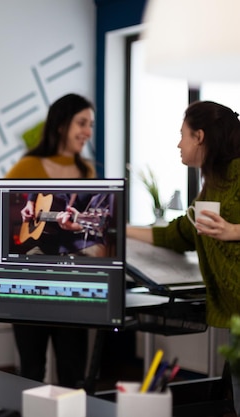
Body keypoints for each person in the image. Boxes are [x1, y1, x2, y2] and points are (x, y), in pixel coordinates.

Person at [127, 100, 240, 413]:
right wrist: (120, 230)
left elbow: (228, 230)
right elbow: (176, 235)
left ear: (200, 136)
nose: (179, 143)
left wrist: (233, 231)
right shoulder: (210, 187)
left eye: (182, 134)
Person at [5, 93, 95, 388]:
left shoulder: (86, 171)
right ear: (61, 124)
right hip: (28, 282)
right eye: (81, 123)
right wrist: (23, 211)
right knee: (31, 372)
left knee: (73, 373)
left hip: (73, 281)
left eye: (90, 124)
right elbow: (5, 217)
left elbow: (90, 224)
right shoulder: (27, 166)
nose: (87, 132)